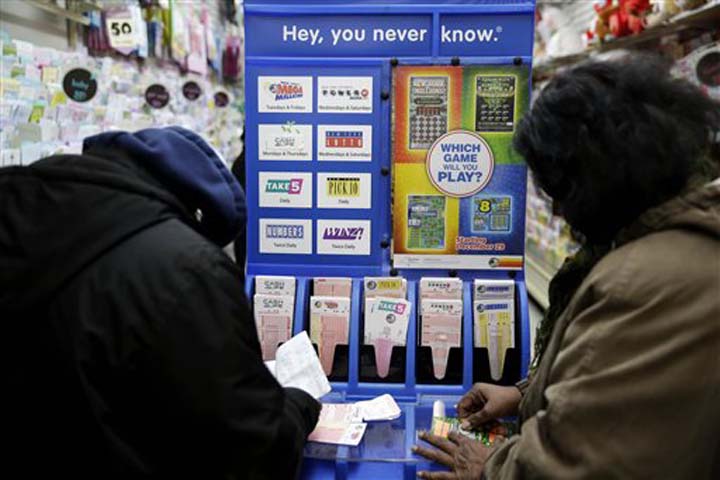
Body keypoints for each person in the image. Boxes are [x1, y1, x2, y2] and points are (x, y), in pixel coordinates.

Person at [414, 55, 720, 479]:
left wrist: (492, 468)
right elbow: (619, 390)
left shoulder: (640, 283)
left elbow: (578, 463)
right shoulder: (667, 243)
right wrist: (525, 394)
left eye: (560, 189)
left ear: (597, 178)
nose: (558, 211)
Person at [1, 127, 320, 479]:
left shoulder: (18, 213)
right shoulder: (186, 267)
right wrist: (301, 403)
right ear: (195, 211)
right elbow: (252, 449)